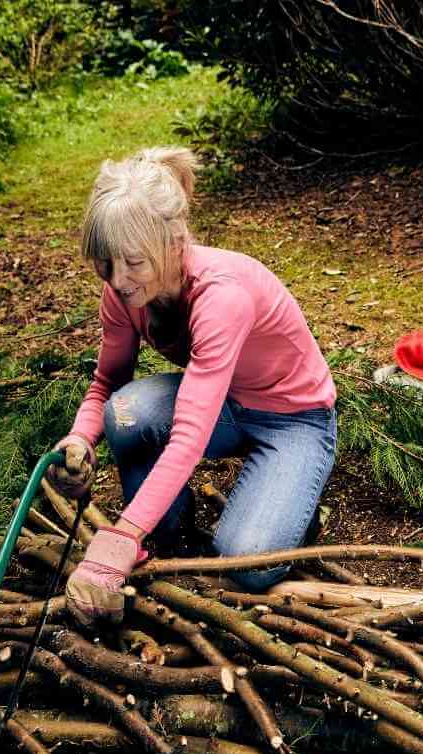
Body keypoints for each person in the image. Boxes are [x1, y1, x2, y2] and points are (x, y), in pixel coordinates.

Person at [47, 146, 337, 628]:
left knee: (246, 563)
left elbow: (189, 436)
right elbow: (107, 383)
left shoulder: (222, 296)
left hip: (294, 420)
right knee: (126, 412)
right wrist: (80, 439)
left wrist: (116, 542)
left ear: (174, 242)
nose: (118, 280)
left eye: (133, 263)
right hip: (225, 401)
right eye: (105, 264)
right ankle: (169, 541)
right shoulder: (124, 290)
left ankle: (294, 512)